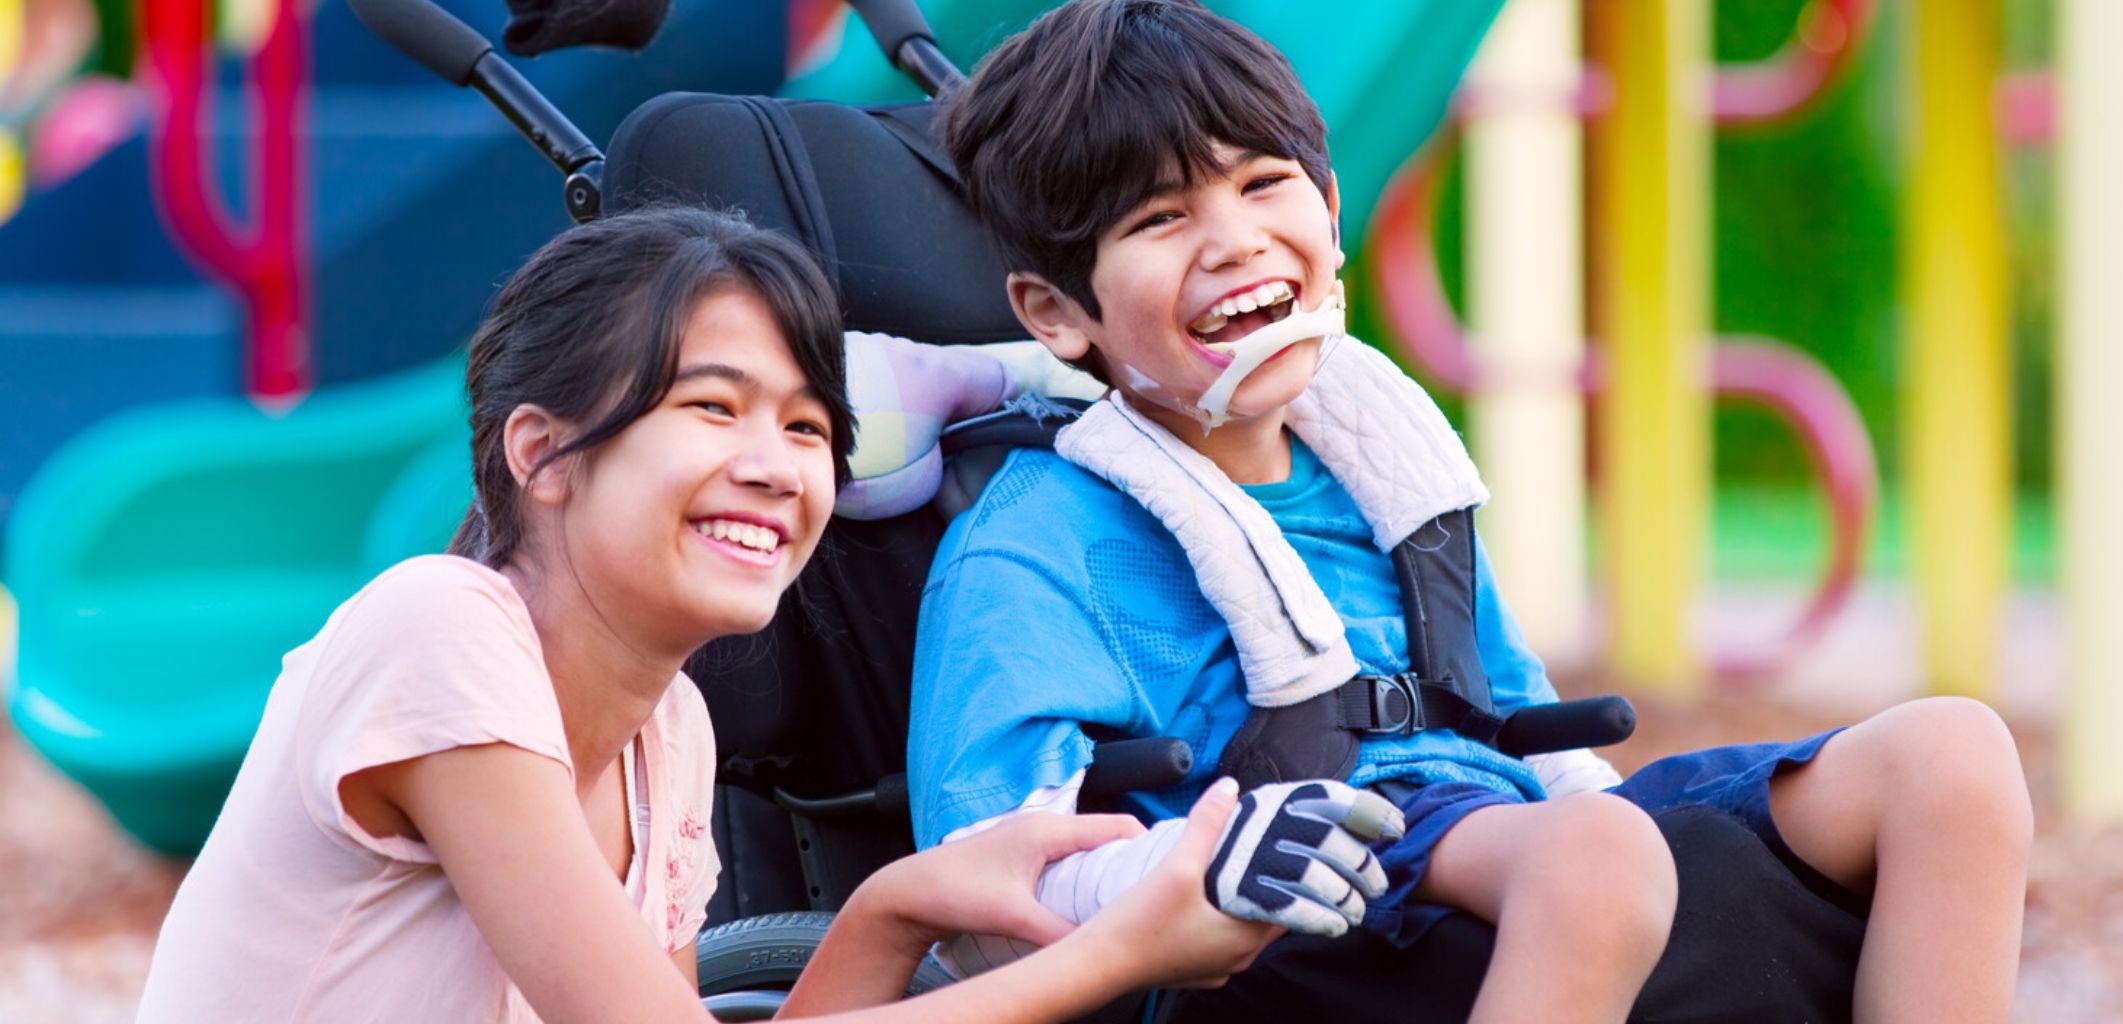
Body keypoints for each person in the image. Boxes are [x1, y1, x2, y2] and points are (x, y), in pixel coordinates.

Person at [903, 2, 2037, 1020]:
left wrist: (1633, 838)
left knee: (1951, 757)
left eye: (1262, 184)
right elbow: (986, 867)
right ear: (1056, 311)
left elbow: (1517, 724)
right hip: (1296, 903)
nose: (1235, 239)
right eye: (1160, 217)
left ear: (1330, 206)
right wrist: (1187, 869)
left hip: (1501, 838)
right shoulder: (1040, 538)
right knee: (1595, 856)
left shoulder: (1383, 466)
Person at [133, 206, 1285, 1023]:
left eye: (803, 427)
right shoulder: (438, 630)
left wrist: (892, 911)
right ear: (543, 453)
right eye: (711, 407)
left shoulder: (667, 727)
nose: (777, 467)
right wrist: (1119, 953)